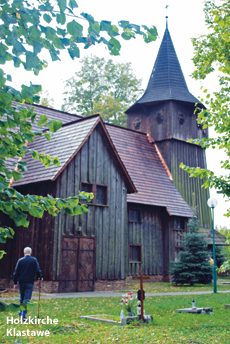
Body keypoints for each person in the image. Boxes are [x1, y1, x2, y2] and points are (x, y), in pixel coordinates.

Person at [13, 247, 43, 321]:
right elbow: (37, 270)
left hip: (21, 281)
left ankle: (21, 313)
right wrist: (40, 277)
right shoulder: (34, 260)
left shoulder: (20, 260)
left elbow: (16, 272)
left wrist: (15, 283)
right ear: (31, 252)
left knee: (22, 297)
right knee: (27, 298)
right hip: (29, 282)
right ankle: (23, 315)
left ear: (24, 253)